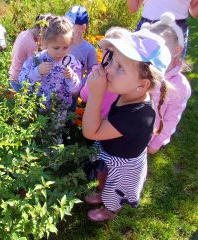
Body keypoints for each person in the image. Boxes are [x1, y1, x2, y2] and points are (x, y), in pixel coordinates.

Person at [82, 29, 171, 221]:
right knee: (104, 178)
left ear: (143, 85)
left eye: (120, 68)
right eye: (112, 60)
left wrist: (96, 93)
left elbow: (91, 131)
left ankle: (110, 210)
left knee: (114, 192)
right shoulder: (129, 93)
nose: (109, 70)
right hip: (112, 154)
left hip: (123, 167)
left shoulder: (139, 116)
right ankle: (102, 193)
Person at [18, 16, 82, 144]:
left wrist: (71, 77)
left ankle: (53, 161)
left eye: (66, 47)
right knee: (39, 134)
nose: (60, 52)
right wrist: (37, 72)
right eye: (56, 48)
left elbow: (75, 90)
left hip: (60, 110)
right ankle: (40, 158)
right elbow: (22, 81)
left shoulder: (72, 63)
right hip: (38, 107)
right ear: (45, 43)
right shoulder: (36, 60)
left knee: (55, 136)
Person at [141, 12, 192, 154]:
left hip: (148, 138)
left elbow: (171, 119)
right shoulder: (143, 69)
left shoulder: (180, 86)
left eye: (160, 48)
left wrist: (155, 144)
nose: (153, 54)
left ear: (177, 50)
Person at [80, 27, 131, 119]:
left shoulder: (97, 72)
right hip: (116, 121)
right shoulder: (129, 76)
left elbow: (84, 96)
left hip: (95, 117)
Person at [126, 0, 198, 57]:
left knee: (169, 72)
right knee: (136, 69)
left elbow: (194, 11)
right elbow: (133, 7)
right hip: (146, 26)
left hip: (174, 30)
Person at [9, 13, 54, 91]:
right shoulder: (31, 44)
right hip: (20, 81)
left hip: (13, 74)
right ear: (42, 31)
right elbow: (34, 66)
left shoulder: (25, 33)